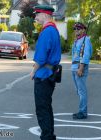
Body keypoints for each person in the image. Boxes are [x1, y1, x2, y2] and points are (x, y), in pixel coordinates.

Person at [30, 5, 61, 140]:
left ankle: (47, 137)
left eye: (37, 14)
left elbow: (41, 57)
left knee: (42, 109)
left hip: (43, 75)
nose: (36, 18)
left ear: (45, 15)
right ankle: (49, 136)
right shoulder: (53, 30)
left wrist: (33, 71)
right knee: (46, 107)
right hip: (50, 74)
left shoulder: (47, 31)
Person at [71, 22, 93, 119]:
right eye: (75, 29)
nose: (76, 31)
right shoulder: (77, 40)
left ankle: (83, 112)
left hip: (80, 67)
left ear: (83, 30)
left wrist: (81, 67)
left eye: (78, 29)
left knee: (81, 91)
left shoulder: (86, 40)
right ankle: (82, 110)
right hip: (74, 67)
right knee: (78, 91)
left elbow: (86, 54)